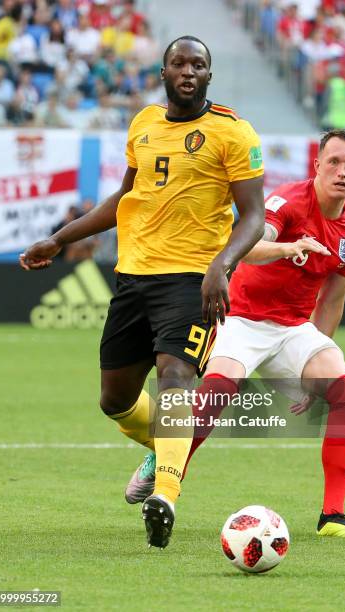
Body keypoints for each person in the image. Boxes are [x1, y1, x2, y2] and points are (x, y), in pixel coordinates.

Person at [19, 35, 265, 549]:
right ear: (163, 71)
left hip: (193, 281)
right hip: (133, 277)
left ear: (209, 75)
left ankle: (167, 496)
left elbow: (255, 217)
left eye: (199, 64)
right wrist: (60, 238)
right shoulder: (144, 124)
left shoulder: (233, 132)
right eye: (179, 62)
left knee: (174, 378)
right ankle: (164, 453)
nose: (189, 71)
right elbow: (125, 197)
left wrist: (222, 264)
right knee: (115, 399)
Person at [127, 128, 345, 540]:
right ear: (317, 165)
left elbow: (332, 300)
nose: (342, 171)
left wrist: (315, 363)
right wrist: (288, 247)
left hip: (294, 329)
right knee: (217, 393)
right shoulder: (289, 202)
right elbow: (246, 246)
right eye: (334, 161)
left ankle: (333, 516)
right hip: (240, 318)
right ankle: (164, 483)